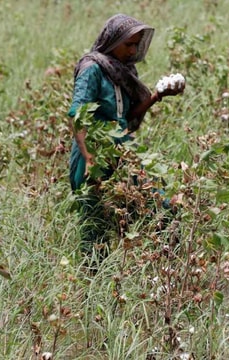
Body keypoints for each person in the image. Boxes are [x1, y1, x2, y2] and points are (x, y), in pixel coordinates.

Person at [68, 14, 183, 260]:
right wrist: (88, 158)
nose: (132, 50)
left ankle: (167, 276)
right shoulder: (92, 69)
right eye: (128, 44)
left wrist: (157, 97)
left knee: (162, 209)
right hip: (94, 154)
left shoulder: (122, 71)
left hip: (123, 150)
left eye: (136, 44)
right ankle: (90, 286)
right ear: (112, 41)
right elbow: (78, 115)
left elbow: (127, 116)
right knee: (95, 228)